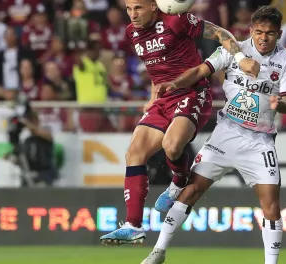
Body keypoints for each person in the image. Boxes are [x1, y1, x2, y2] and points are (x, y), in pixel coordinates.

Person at [138, 6, 286, 264]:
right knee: (190, 192)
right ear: (251, 31)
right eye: (259, 32)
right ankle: (159, 251)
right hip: (226, 134)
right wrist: (176, 84)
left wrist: (279, 102)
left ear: (278, 34)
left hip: (259, 141)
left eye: (270, 34)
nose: (263, 38)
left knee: (271, 206)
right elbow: (201, 70)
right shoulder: (233, 50)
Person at [99, 0, 261, 245]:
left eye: (138, 8)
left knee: (171, 146)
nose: (133, 15)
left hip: (192, 92)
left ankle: (178, 182)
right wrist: (151, 99)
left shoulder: (177, 20)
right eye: (129, 9)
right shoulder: (132, 33)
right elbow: (157, 71)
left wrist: (239, 58)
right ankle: (133, 226)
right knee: (134, 153)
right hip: (163, 99)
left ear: (154, 6)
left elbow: (219, 32)